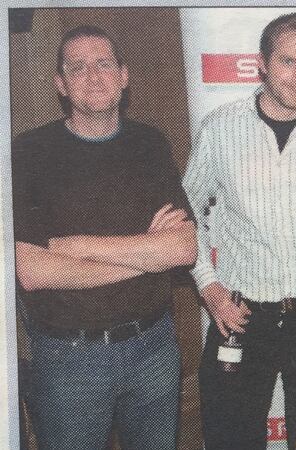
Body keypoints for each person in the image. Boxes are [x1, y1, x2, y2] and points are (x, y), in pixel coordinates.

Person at [182, 12, 296, 450]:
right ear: (262, 63)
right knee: (231, 440)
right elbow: (186, 213)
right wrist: (209, 288)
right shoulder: (219, 128)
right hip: (240, 316)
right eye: (288, 61)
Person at [12, 25, 196, 450]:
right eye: (78, 68)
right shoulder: (30, 151)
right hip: (70, 360)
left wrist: (74, 246)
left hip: (155, 348)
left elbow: (183, 248)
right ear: (60, 84)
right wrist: (148, 253)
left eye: (104, 64)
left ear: (124, 75)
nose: (94, 76)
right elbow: (34, 271)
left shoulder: (150, 143)